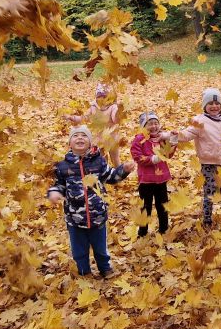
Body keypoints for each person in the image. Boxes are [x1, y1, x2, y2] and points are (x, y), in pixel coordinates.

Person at [48, 126, 134, 277]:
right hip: (75, 218)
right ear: (70, 143)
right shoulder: (63, 166)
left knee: (100, 247)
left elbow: (111, 177)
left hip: (97, 215)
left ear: (90, 143)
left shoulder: (98, 162)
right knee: (79, 249)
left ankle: (105, 268)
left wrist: (124, 170)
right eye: (76, 136)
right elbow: (59, 185)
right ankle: (84, 271)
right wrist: (54, 192)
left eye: (84, 136)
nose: (80, 138)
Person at [175, 88, 221, 228]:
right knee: (209, 191)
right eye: (210, 103)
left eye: (217, 103)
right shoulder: (199, 121)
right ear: (204, 106)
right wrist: (173, 135)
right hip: (208, 163)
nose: (214, 106)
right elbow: (187, 134)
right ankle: (207, 218)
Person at [129, 111, 177, 237]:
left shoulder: (161, 138)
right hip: (146, 180)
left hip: (161, 179)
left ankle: (163, 229)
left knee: (162, 205)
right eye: (150, 124)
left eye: (156, 123)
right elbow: (137, 156)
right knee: (146, 207)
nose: (154, 126)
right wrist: (152, 159)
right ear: (143, 126)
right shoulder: (139, 139)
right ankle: (143, 231)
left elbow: (168, 154)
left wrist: (173, 141)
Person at [67, 82, 123, 166]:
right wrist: (73, 118)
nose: (101, 99)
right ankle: (104, 173)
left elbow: (115, 119)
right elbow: (84, 118)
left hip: (112, 137)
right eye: (99, 97)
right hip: (98, 138)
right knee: (101, 158)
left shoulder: (113, 107)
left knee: (115, 158)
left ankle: (120, 173)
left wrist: (119, 114)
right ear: (96, 97)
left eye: (104, 97)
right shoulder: (93, 107)